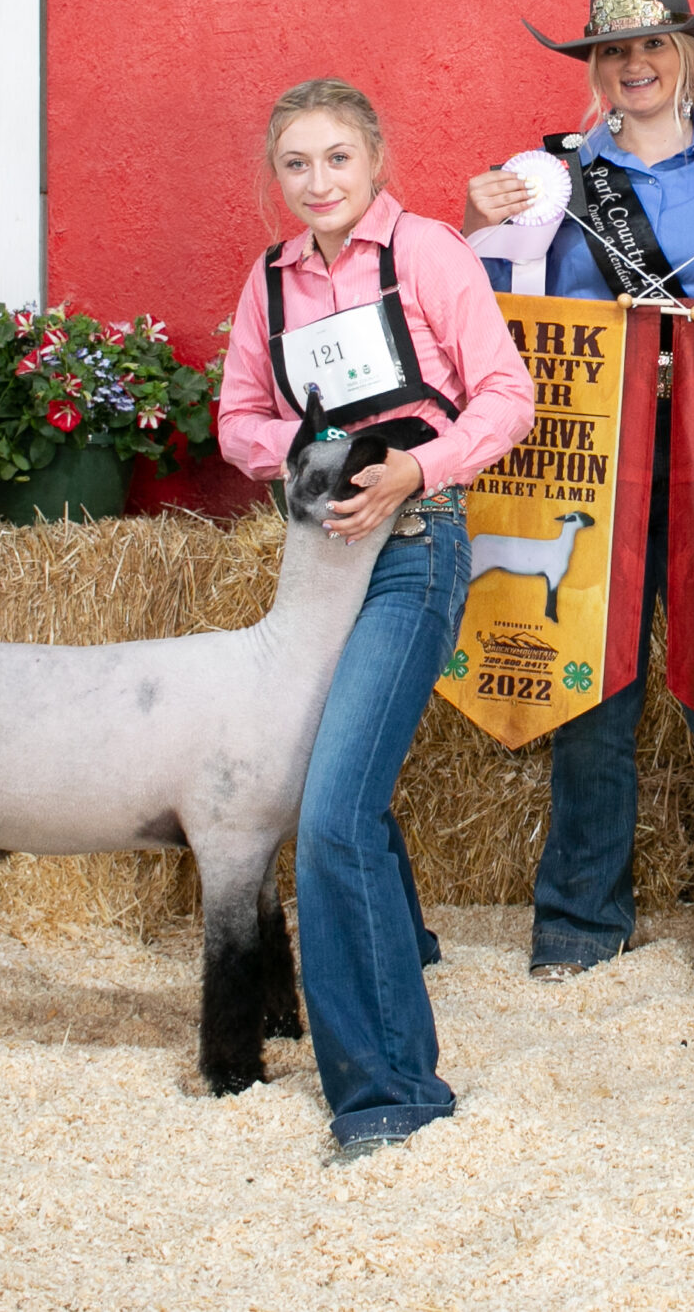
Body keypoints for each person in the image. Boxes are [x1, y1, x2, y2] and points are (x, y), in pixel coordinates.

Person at [463, 0, 694, 987]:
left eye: (652, 43)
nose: (633, 64)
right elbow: (499, 315)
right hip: (593, 463)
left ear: (689, 56)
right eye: (612, 50)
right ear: (596, 67)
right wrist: (483, 224)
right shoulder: (548, 182)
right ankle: (579, 924)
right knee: (595, 691)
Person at [217, 78, 534, 1158]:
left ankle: (390, 1091)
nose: (318, 183)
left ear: (375, 160)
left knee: (335, 809)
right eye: (296, 164)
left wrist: (412, 470)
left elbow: (505, 394)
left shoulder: (430, 253)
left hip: (413, 548)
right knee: (342, 789)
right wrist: (308, 458)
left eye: (337, 160)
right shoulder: (269, 279)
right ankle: (401, 956)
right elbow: (236, 421)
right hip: (318, 559)